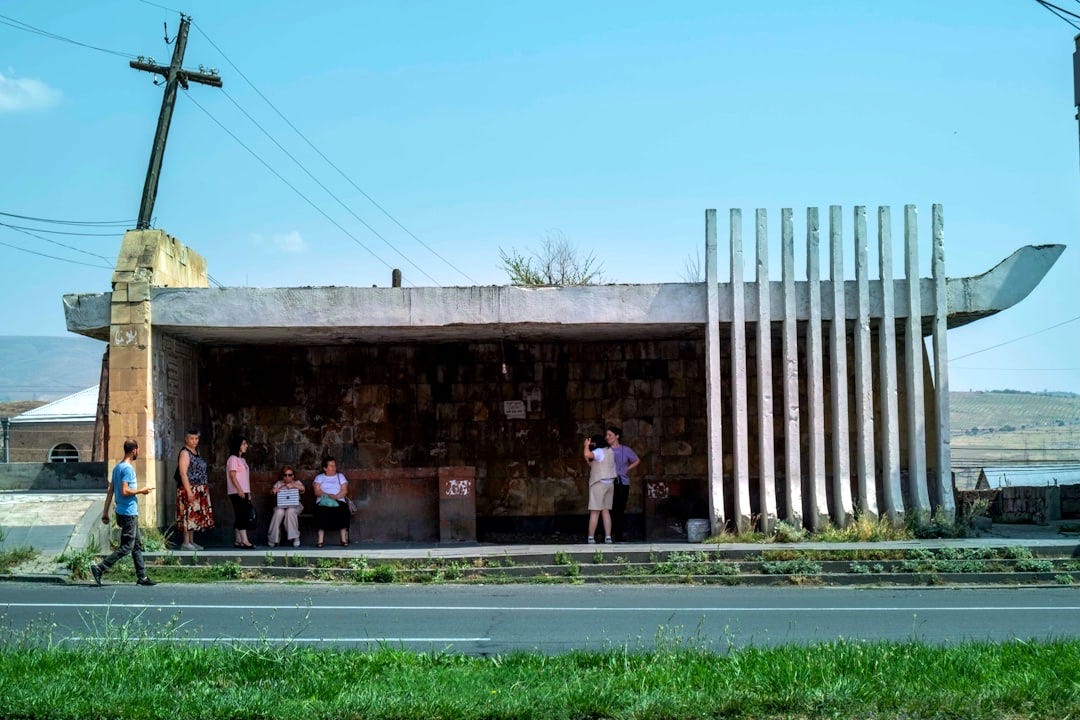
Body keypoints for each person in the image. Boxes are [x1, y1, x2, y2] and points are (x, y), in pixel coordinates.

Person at [91, 439, 156, 586]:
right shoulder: (127, 469)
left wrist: (105, 512)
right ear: (134, 451)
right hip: (128, 513)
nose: (137, 453)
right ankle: (100, 568)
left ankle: (142, 577)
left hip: (122, 512)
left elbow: (111, 491)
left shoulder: (117, 468)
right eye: (137, 450)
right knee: (127, 547)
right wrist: (141, 490)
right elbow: (125, 491)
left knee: (137, 545)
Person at [175, 427, 215, 550]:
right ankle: (185, 542)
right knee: (188, 513)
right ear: (186, 439)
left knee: (194, 515)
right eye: (192, 438)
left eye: (196, 438)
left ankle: (191, 541)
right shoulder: (185, 453)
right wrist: (189, 491)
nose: (194, 441)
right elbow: (183, 473)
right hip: (189, 487)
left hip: (199, 488)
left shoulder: (196, 452)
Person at [606, 425, 640, 542]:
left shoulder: (625, 450)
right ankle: (608, 534)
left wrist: (627, 469)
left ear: (617, 436)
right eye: (607, 435)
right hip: (609, 482)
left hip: (622, 482)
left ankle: (619, 535)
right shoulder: (606, 450)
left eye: (610, 435)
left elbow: (636, 460)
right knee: (609, 509)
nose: (607, 437)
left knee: (620, 509)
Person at [583, 433, 616, 544]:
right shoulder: (609, 451)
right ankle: (608, 537)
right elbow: (594, 464)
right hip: (609, 483)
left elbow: (588, 454)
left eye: (592, 442)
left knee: (595, 512)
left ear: (595, 443)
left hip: (599, 484)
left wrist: (586, 446)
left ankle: (591, 538)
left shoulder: (598, 452)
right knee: (606, 511)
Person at [313, 456, 350, 547]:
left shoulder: (340, 476)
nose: (334, 467)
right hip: (323, 501)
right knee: (321, 511)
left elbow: (344, 490)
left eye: (334, 465)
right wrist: (329, 496)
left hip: (339, 500)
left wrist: (336, 497)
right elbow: (317, 492)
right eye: (331, 465)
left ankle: (343, 539)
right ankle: (320, 540)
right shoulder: (319, 477)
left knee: (343, 509)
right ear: (325, 468)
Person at [226, 436, 255, 549]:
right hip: (237, 491)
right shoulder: (233, 458)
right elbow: (232, 476)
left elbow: (244, 477)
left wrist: (248, 492)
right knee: (242, 515)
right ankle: (245, 540)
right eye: (243, 444)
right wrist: (240, 490)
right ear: (237, 445)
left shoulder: (242, 460)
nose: (246, 446)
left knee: (240, 515)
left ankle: (238, 540)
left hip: (244, 491)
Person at [268, 464, 305, 548]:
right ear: (282, 476)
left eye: (290, 475)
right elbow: (271, 492)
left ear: (293, 476)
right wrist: (274, 490)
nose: (287, 477)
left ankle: (295, 537)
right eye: (285, 475)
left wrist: (294, 486)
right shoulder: (279, 483)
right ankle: (273, 538)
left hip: (295, 506)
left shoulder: (297, 482)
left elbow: (303, 489)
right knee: (278, 512)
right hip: (281, 506)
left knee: (290, 511)